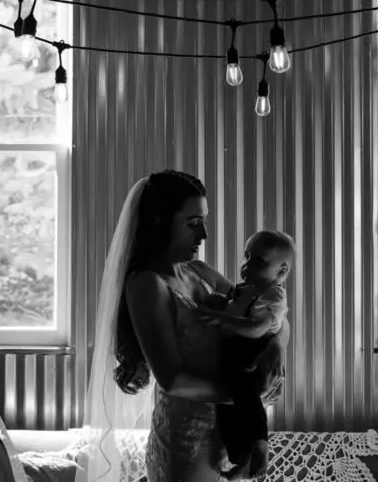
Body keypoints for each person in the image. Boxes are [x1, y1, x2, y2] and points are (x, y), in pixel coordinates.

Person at [75, 170, 290, 482]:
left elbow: (273, 315)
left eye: (204, 220)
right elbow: (172, 379)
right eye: (192, 223)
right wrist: (246, 397)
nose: (203, 234)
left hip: (227, 432)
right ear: (160, 222)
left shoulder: (200, 272)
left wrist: (277, 345)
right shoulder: (147, 283)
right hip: (187, 440)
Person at [198, 230, 295, 480]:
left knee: (245, 397)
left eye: (258, 261)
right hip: (231, 358)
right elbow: (235, 305)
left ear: (281, 272)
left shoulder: (272, 294)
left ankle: (260, 444)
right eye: (246, 256)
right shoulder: (249, 288)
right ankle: (242, 459)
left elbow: (257, 328)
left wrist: (221, 319)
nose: (247, 265)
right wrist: (220, 302)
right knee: (228, 412)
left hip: (250, 352)